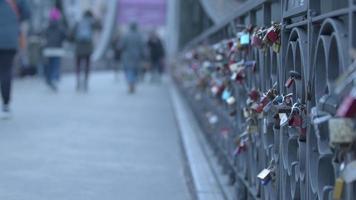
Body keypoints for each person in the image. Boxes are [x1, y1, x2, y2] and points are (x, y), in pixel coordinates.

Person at [0, 0, 30, 118]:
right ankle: (6, 105)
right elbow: (27, 13)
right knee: (6, 71)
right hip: (10, 40)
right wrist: (14, 20)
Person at [43, 7, 66, 91]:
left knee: (49, 65)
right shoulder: (60, 27)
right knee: (56, 65)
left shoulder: (48, 26)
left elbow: (44, 35)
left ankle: (49, 79)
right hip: (57, 49)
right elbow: (64, 36)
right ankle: (54, 79)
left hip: (48, 49)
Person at [73, 10, 95, 92]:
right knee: (87, 65)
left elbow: (71, 34)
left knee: (78, 65)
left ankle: (78, 81)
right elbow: (100, 26)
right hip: (88, 47)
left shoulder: (78, 22)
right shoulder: (91, 23)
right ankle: (86, 82)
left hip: (78, 47)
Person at [120, 22, 144, 94]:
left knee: (129, 70)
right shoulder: (139, 35)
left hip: (127, 56)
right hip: (137, 56)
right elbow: (142, 46)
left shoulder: (126, 35)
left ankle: (130, 85)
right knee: (135, 71)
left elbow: (122, 46)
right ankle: (133, 84)